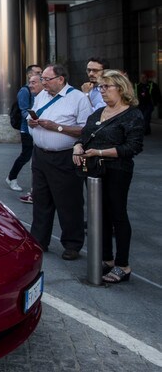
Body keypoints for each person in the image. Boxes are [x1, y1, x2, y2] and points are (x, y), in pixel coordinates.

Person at [73, 70, 144, 283]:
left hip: (117, 170)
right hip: (94, 170)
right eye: (100, 87)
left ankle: (123, 264)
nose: (101, 91)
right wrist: (77, 147)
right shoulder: (98, 112)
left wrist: (100, 153)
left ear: (121, 88)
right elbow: (84, 136)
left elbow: (133, 147)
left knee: (117, 214)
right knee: (98, 214)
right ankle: (106, 258)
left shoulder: (132, 115)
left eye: (106, 87)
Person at [28, 63, 93, 260]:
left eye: (47, 79)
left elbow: (85, 129)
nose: (43, 83)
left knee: (68, 202)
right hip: (40, 155)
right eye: (42, 79)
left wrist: (57, 128)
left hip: (64, 156)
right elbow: (33, 114)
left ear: (61, 79)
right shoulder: (41, 96)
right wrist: (31, 122)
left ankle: (72, 244)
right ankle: (39, 240)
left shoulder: (78, 99)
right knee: (41, 199)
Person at [6, 66, 43, 191]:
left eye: (40, 72)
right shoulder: (24, 91)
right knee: (26, 155)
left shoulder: (42, 90)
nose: (40, 74)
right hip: (27, 128)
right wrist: (32, 119)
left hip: (38, 128)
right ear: (29, 75)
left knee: (33, 156)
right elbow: (23, 110)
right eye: (37, 72)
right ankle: (11, 177)